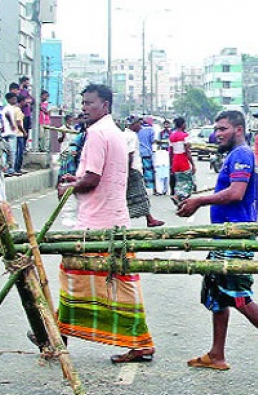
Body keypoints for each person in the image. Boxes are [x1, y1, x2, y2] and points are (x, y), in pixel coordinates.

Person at [177, 110, 258, 375]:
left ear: (237, 129)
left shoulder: (242, 155)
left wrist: (199, 201)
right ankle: (216, 354)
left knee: (238, 295)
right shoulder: (235, 156)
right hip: (223, 236)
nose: (217, 133)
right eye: (216, 128)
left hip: (235, 236)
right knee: (217, 294)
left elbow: (236, 193)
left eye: (222, 128)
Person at [56, 84, 155, 363]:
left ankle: (140, 341)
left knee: (95, 278)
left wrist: (69, 188)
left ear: (106, 106)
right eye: (83, 103)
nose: (85, 107)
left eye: (90, 103)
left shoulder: (99, 133)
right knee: (87, 276)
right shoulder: (113, 132)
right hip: (110, 218)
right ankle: (56, 332)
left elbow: (92, 179)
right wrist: (74, 181)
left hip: (98, 223)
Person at [124, 116, 165, 227]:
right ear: (133, 124)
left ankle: (149, 218)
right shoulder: (131, 136)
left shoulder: (124, 135)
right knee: (140, 196)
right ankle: (149, 219)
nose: (140, 126)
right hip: (133, 169)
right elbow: (130, 154)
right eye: (138, 123)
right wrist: (127, 172)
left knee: (137, 196)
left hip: (131, 169)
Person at [169, 117, 195, 204]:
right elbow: (187, 151)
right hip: (183, 159)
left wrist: (171, 164)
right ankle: (178, 196)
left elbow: (170, 152)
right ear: (183, 124)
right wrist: (193, 164)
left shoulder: (172, 136)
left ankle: (179, 198)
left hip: (175, 160)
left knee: (179, 181)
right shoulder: (185, 136)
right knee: (188, 182)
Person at [0, 92, 20, 175]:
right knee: (11, 151)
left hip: (9, 132)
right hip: (9, 132)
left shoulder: (11, 107)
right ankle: (9, 169)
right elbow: (7, 115)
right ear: (9, 99)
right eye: (13, 98)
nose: (15, 100)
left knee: (9, 152)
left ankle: (8, 168)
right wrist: (11, 124)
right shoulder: (8, 108)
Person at [137, 116, 156, 189]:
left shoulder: (138, 129)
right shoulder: (151, 129)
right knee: (148, 170)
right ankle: (149, 187)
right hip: (147, 152)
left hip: (138, 152)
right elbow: (152, 141)